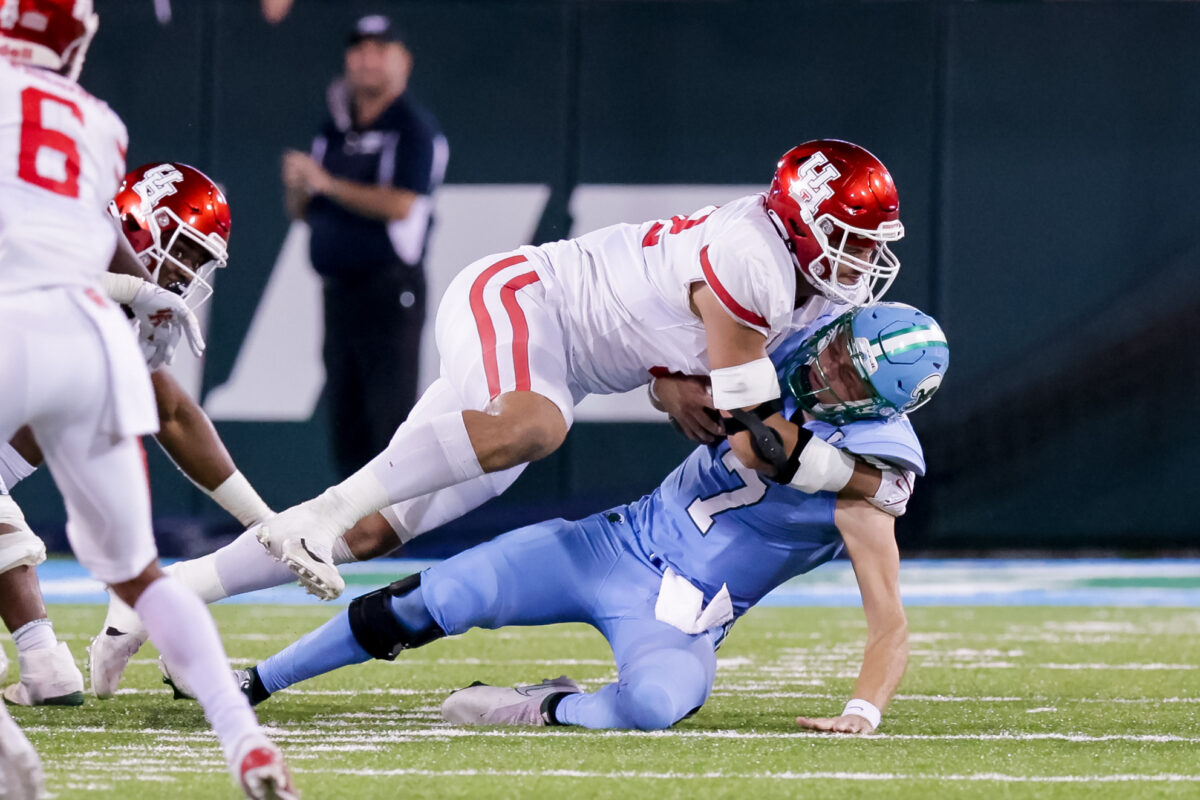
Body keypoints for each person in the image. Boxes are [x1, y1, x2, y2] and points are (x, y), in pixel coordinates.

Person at [206, 302, 947, 735]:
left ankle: (543, 706)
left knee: (655, 704)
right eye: (839, 351)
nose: (827, 371)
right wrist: (675, 395)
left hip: (684, 616)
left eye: (851, 376)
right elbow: (673, 387)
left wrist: (862, 711)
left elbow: (890, 621)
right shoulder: (778, 344)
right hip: (611, 543)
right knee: (434, 599)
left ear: (884, 404)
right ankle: (257, 682)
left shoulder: (873, 472)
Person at [257, 137, 907, 603]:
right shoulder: (755, 262)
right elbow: (758, 441)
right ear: (800, 225)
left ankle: (177, 596)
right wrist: (871, 482)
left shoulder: (801, 280)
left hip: (559, 361)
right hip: (528, 301)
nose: (866, 259)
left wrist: (666, 380)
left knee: (373, 531)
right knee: (534, 427)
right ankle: (321, 510)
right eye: (854, 240)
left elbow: (663, 318)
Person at [0, 4, 297, 798]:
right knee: (143, 577)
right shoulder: (97, 122)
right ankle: (244, 742)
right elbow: (88, 238)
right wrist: (135, 288)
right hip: (84, 339)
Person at [0, 163, 277, 706]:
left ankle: (44, 660)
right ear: (138, 223)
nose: (187, 273)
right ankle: (44, 659)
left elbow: (173, 413)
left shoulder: (125, 314)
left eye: (199, 261)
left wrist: (269, 527)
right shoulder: (54, 223)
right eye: (186, 250)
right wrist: (127, 286)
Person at [282, 13, 448, 480]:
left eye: (381, 49)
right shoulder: (334, 126)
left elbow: (401, 205)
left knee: (390, 414)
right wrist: (300, 187)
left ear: (404, 62)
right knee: (346, 416)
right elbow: (303, 210)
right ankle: (348, 534)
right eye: (359, 49)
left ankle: (389, 537)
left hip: (389, 290)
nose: (368, 60)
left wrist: (327, 184)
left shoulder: (414, 130)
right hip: (338, 291)